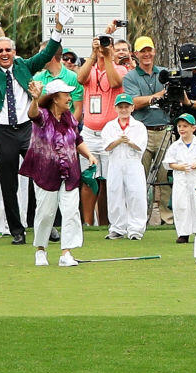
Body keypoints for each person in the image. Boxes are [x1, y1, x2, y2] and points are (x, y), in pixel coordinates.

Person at [0, 9, 63, 245]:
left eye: (8, 50)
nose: (5, 53)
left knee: (40, 178)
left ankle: (45, 225)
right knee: (8, 183)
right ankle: (17, 230)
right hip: (3, 131)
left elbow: (48, 52)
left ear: (14, 52)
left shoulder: (24, 66)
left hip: (28, 128)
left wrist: (58, 28)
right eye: (0, 51)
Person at [19, 80, 96, 266]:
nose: (70, 98)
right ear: (55, 98)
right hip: (45, 172)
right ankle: (40, 250)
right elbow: (32, 114)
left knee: (70, 212)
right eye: (66, 95)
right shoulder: (43, 115)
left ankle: (66, 253)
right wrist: (35, 99)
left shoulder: (69, 116)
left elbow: (77, 139)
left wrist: (89, 155)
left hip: (70, 172)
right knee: (45, 213)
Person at [73, 26, 127, 227]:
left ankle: (105, 222)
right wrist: (93, 54)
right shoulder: (91, 67)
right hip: (89, 131)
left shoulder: (120, 68)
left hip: (109, 132)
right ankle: (88, 223)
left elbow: (114, 82)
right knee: (89, 177)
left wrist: (108, 57)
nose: (104, 48)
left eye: (108, 45)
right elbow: (80, 78)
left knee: (106, 181)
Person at [124, 36, 172, 226]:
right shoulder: (130, 77)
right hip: (142, 131)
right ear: (135, 54)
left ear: (154, 51)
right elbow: (133, 103)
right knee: (139, 178)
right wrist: (157, 96)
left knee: (165, 177)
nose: (146, 54)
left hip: (164, 129)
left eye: (149, 50)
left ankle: (168, 219)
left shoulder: (164, 73)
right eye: (142, 51)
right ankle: (139, 219)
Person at [102, 93, 148, 240]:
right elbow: (107, 147)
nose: (123, 110)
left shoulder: (139, 126)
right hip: (115, 163)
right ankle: (117, 228)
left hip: (133, 163)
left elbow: (140, 146)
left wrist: (128, 141)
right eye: (120, 107)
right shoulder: (110, 126)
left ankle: (136, 229)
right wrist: (118, 140)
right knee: (115, 193)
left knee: (136, 194)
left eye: (126, 107)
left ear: (132, 108)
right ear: (115, 108)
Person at [164, 113, 196, 243]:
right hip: (181, 179)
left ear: (193, 128)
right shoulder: (175, 146)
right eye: (179, 126)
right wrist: (180, 167)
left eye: (185, 126)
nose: (182, 129)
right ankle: (183, 233)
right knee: (181, 204)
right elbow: (168, 163)